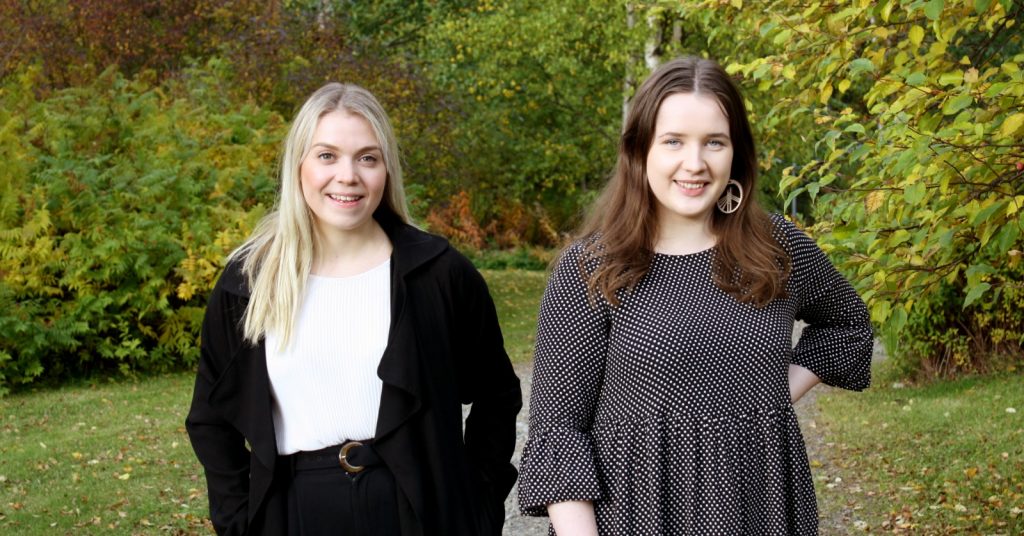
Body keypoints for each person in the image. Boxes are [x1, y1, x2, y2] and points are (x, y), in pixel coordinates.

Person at [516, 56, 873, 535]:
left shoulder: (776, 247)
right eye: (674, 141)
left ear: (736, 153)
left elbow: (849, 326)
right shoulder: (593, 267)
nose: (695, 163)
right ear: (640, 150)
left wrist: (771, 394)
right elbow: (557, 433)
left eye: (714, 142)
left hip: (760, 508)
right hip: (638, 516)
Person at [186, 82, 522, 536]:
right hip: (295, 514)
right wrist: (239, 522)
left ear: (386, 169)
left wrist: (477, 502)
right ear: (298, 165)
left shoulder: (438, 274)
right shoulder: (249, 281)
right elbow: (210, 419)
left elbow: (497, 394)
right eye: (327, 155)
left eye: (367, 158)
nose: (348, 176)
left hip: (419, 513)